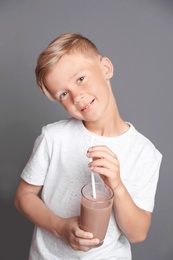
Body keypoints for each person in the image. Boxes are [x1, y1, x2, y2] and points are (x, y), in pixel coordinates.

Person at [14, 33, 162, 260]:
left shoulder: (145, 153)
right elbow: (23, 196)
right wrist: (60, 227)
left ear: (105, 68)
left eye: (80, 79)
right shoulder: (53, 137)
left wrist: (117, 187)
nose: (77, 96)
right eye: (63, 94)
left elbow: (137, 233)